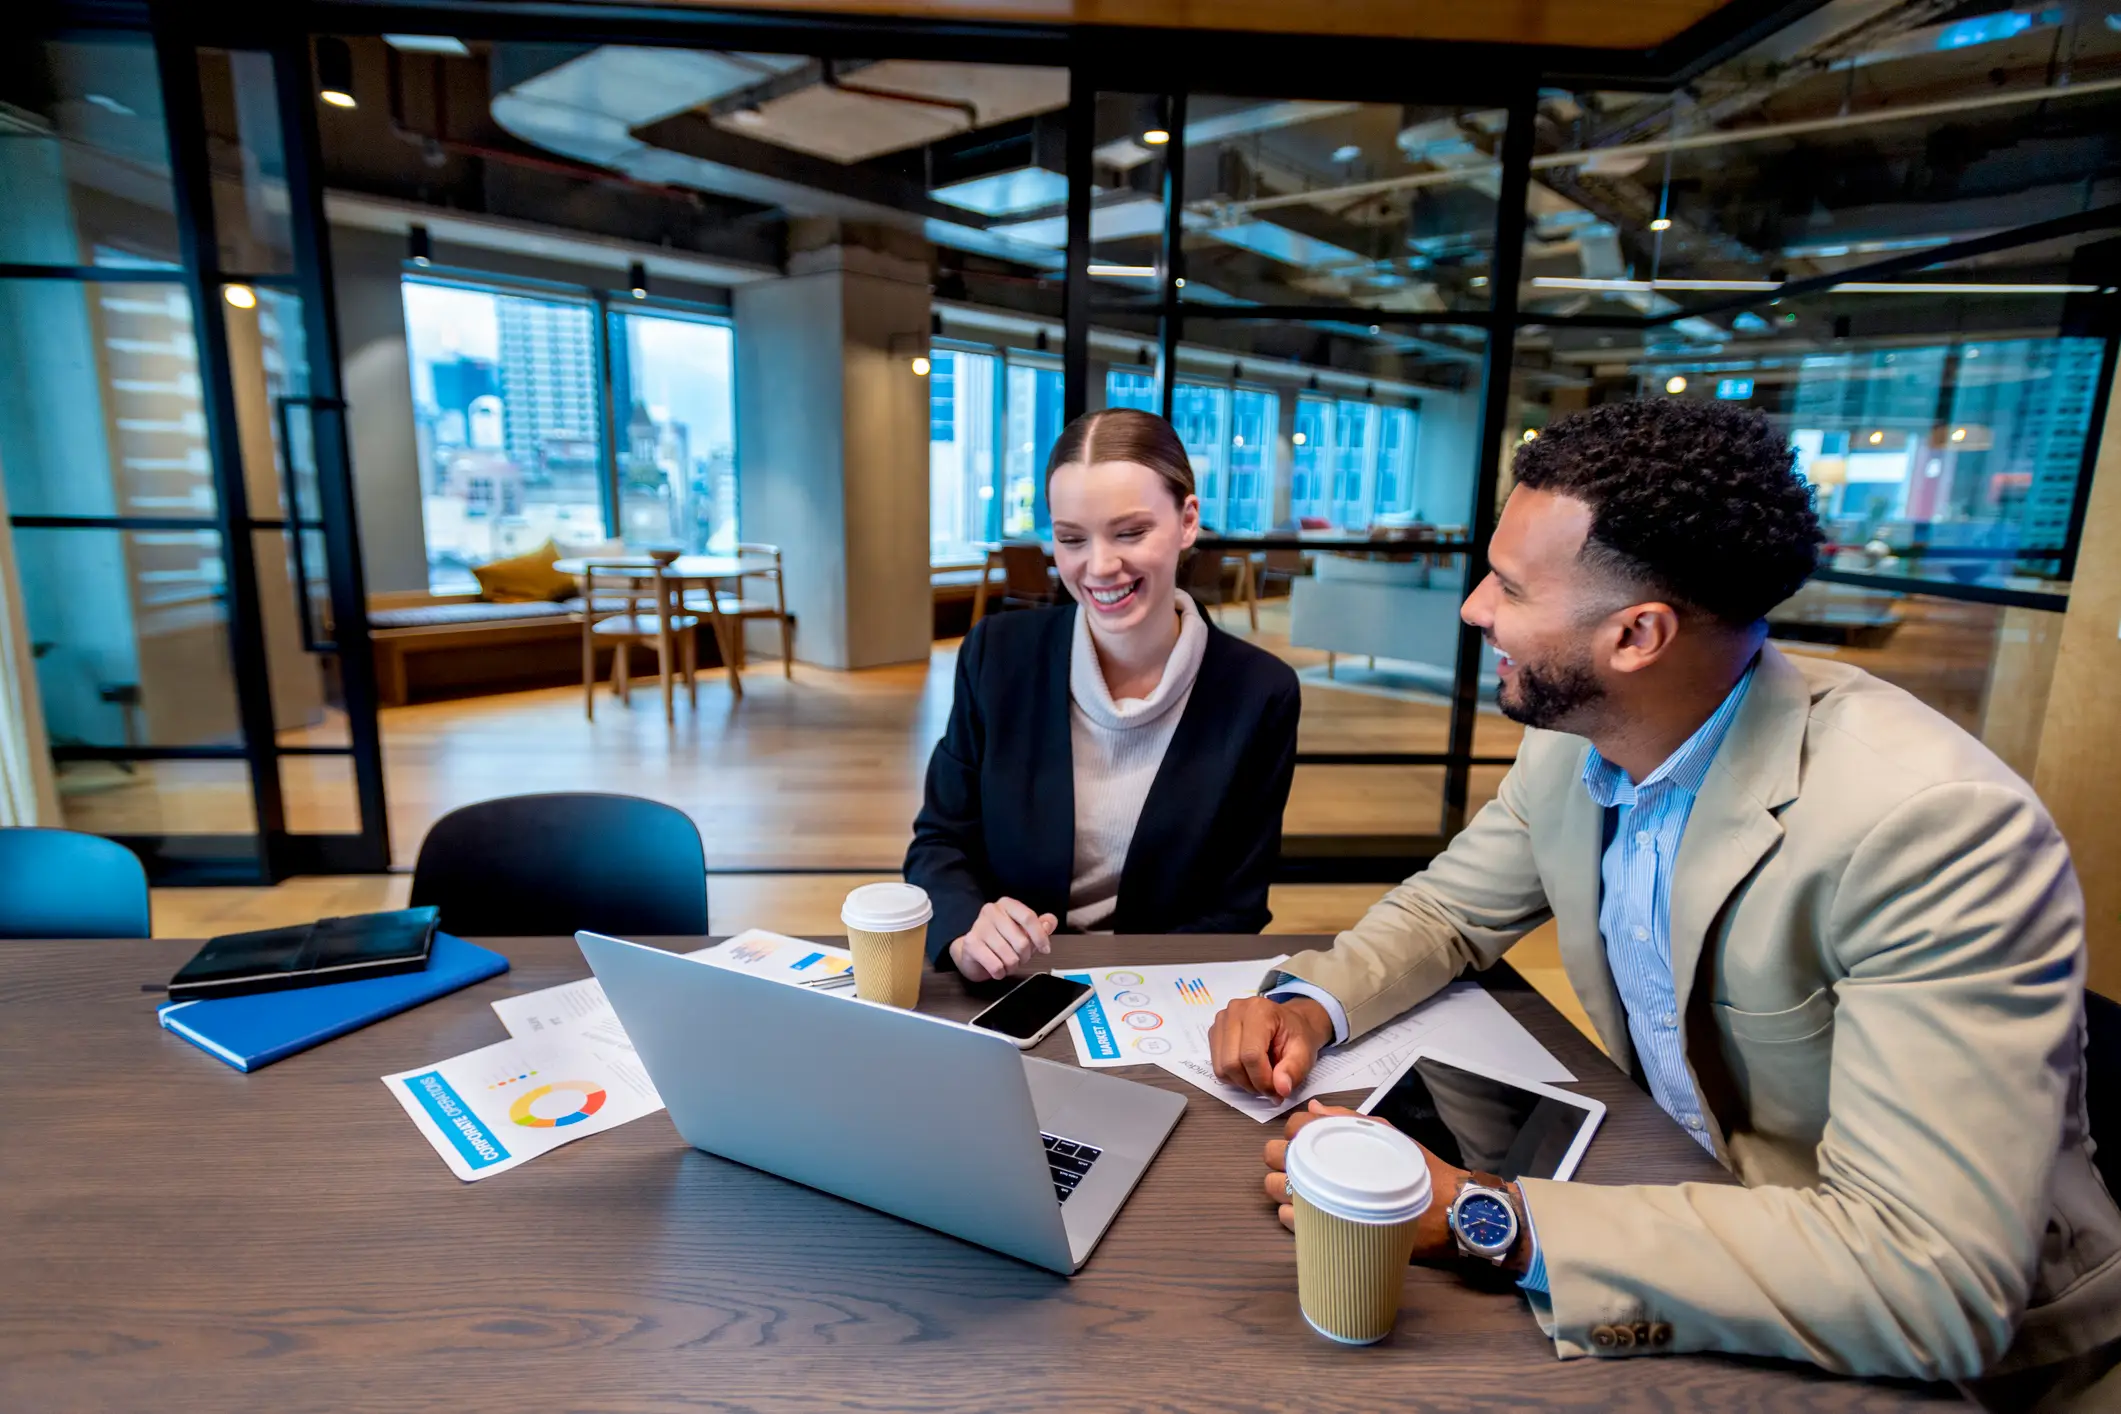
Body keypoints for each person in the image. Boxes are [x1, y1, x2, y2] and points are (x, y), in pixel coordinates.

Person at [1207, 400, 2121, 1408]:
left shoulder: (1935, 830)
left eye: (1510, 586)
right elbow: (1447, 912)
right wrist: (1312, 1003)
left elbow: (1930, 1280)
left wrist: (1484, 1214)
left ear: (1638, 634)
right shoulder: (1579, 736)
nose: (1474, 608)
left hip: (1951, 1363)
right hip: (1700, 1223)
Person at [906, 407, 1300, 980]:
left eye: (1131, 532)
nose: (1100, 566)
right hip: (1009, 987)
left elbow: (1236, 906)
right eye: (1071, 538)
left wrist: (1125, 987)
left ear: (1188, 521)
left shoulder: (1258, 693)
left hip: (1161, 998)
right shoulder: (997, 655)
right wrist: (968, 933)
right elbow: (939, 842)